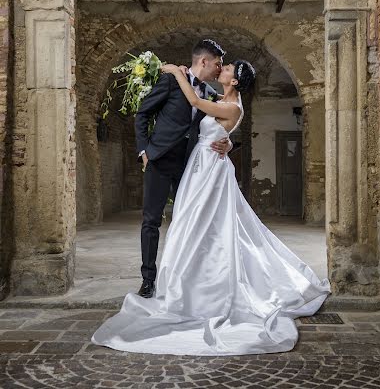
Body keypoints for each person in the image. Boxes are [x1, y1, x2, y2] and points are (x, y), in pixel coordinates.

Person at [92, 59, 330, 356]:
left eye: (227, 69)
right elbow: (203, 114)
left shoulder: (231, 107)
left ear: (234, 81)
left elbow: (194, 100)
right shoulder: (222, 99)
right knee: (193, 225)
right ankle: (181, 279)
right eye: (221, 65)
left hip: (209, 172)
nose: (222, 70)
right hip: (200, 166)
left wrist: (176, 72)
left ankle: (205, 286)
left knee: (206, 227)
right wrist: (227, 141)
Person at [134, 39, 232, 298]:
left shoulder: (210, 94)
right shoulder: (169, 81)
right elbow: (142, 114)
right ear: (204, 61)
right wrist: (144, 151)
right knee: (151, 221)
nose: (219, 70)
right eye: (217, 64)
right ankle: (148, 280)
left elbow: (222, 126)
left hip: (190, 166)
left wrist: (228, 144)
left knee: (189, 221)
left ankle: (184, 278)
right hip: (159, 159)